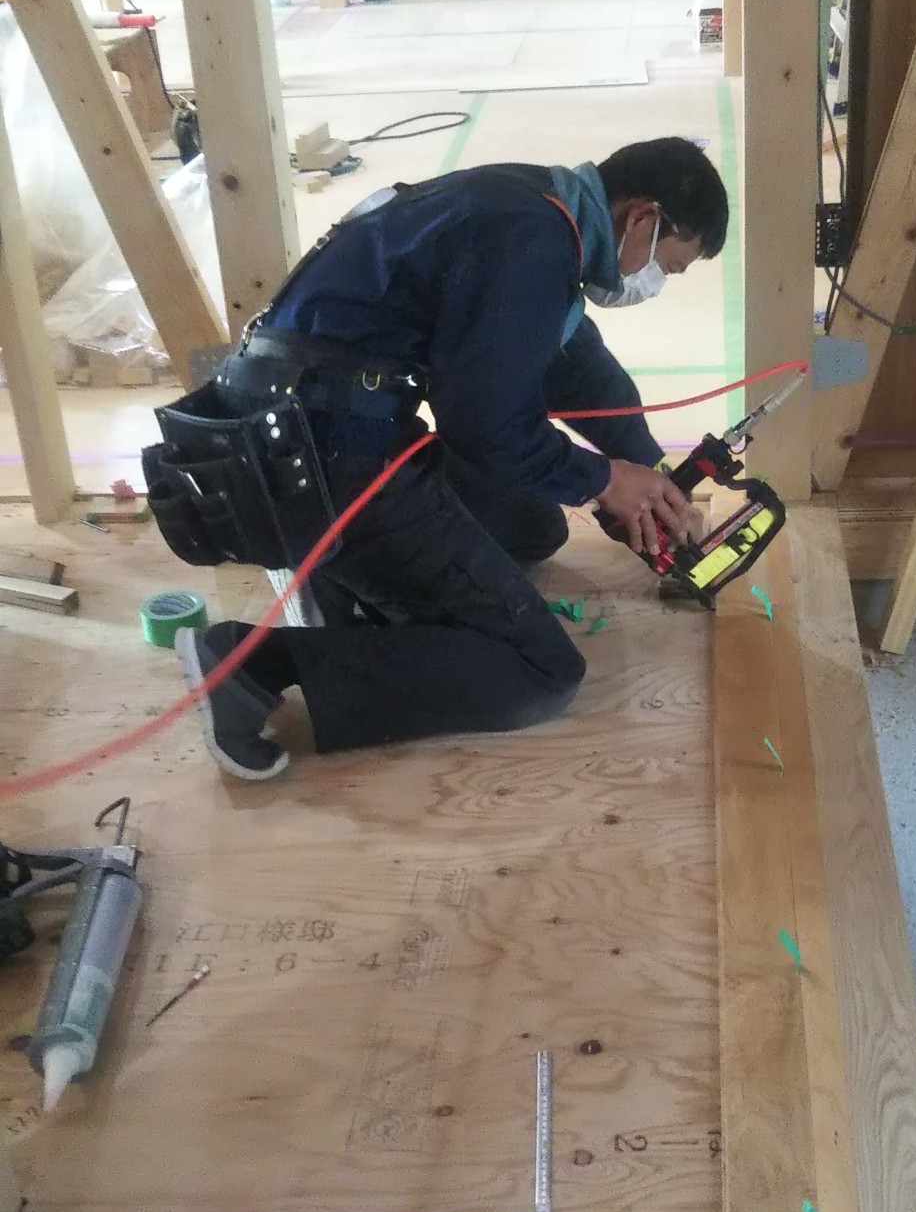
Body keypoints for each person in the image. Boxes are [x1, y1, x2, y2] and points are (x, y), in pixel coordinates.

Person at [175, 137, 729, 781]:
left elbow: (577, 366)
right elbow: (487, 427)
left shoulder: (534, 206)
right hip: (321, 461)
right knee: (539, 669)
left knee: (534, 526)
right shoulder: (534, 241)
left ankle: (342, 575)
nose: (655, 282)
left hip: (302, 425)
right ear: (642, 218)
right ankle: (249, 663)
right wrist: (602, 478)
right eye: (669, 265)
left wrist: (649, 474)